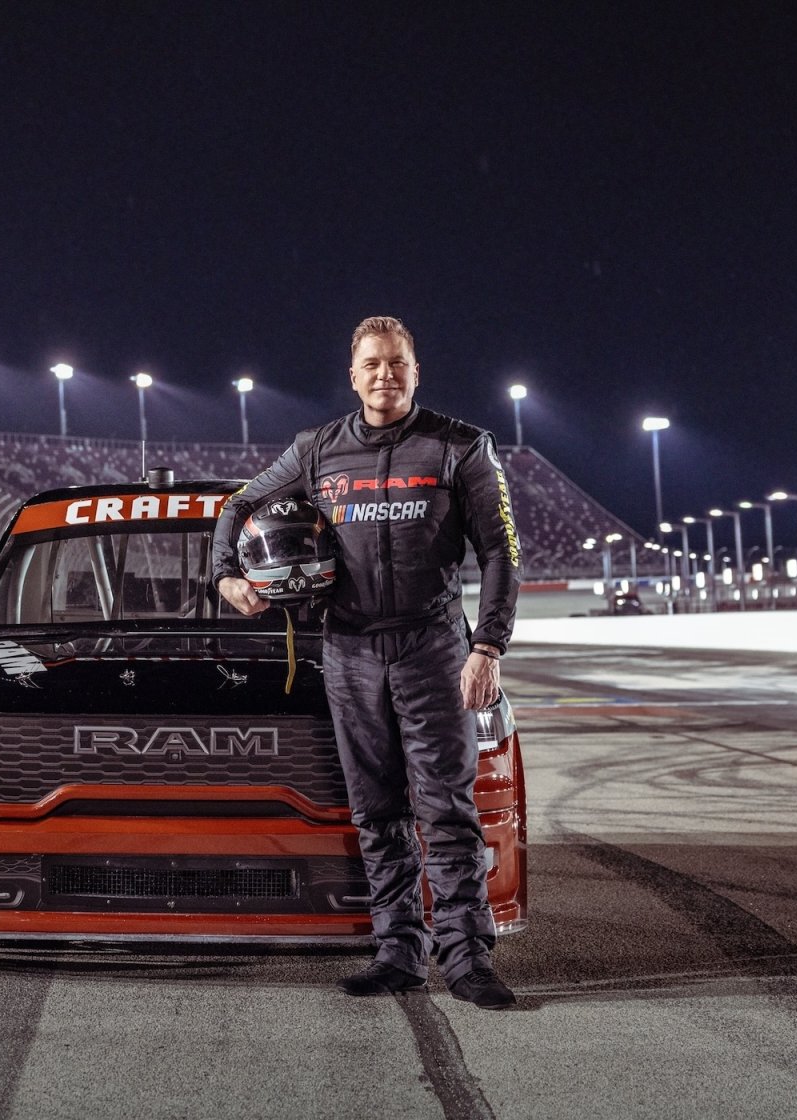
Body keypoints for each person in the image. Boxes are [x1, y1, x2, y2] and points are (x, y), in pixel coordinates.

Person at [211, 315, 521, 1009]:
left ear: (417, 372)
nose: (386, 374)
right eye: (373, 364)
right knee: (376, 810)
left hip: (433, 647)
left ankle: (467, 960)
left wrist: (488, 646)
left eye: (398, 363)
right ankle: (398, 953)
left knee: (445, 810)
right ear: (353, 376)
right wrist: (227, 576)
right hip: (348, 649)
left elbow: (501, 552)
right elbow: (239, 503)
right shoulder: (316, 449)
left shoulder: (462, 447)